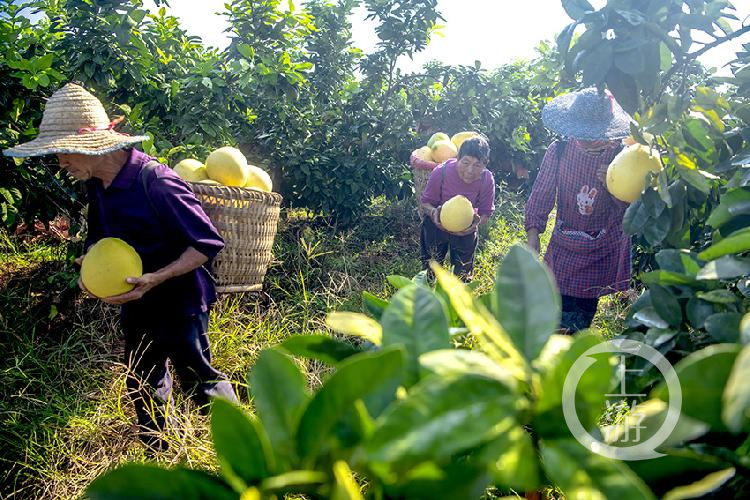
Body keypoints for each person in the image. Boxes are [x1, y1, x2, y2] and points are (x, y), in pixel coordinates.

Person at [3, 83, 238, 449]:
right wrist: (90, 267)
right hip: (136, 301)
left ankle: (244, 449)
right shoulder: (96, 183)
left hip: (179, 302)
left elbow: (206, 244)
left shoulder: (157, 182)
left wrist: (157, 277)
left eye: (64, 153)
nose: (61, 162)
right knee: (143, 381)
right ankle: (161, 451)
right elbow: (100, 237)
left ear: (91, 148)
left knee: (200, 381)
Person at [525, 88, 635, 333]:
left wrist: (612, 185)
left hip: (601, 250)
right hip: (564, 246)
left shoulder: (621, 156)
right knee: (552, 313)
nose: (585, 139)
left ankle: (568, 358)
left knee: (579, 318)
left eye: (592, 134)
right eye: (581, 133)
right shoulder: (560, 150)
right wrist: (533, 235)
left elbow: (631, 212)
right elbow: (541, 194)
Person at [420, 135, 495, 281]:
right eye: (465, 162)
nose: (470, 170)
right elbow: (425, 203)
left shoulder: (486, 180)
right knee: (431, 270)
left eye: (477, 165)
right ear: (458, 158)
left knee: (462, 277)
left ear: (485, 164)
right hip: (436, 227)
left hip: (466, 230)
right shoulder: (441, 172)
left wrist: (476, 223)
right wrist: (434, 212)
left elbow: (486, 213)